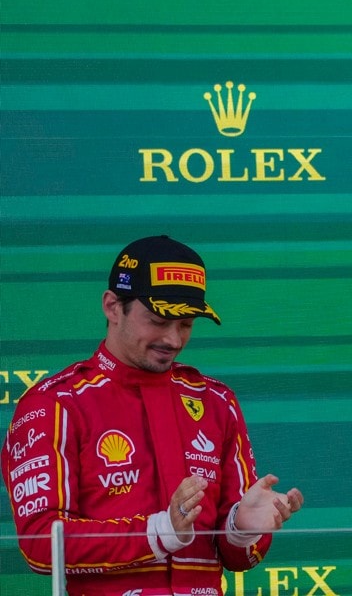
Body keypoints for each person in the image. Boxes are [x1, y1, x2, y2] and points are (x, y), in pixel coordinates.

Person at [3, 235, 303, 593]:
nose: (174, 339)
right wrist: (160, 532)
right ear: (113, 307)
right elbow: (40, 545)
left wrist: (241, 529)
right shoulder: (56, 403)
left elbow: (238, 559)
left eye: (187, 324)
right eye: (159, 320)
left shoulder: (217, 400)